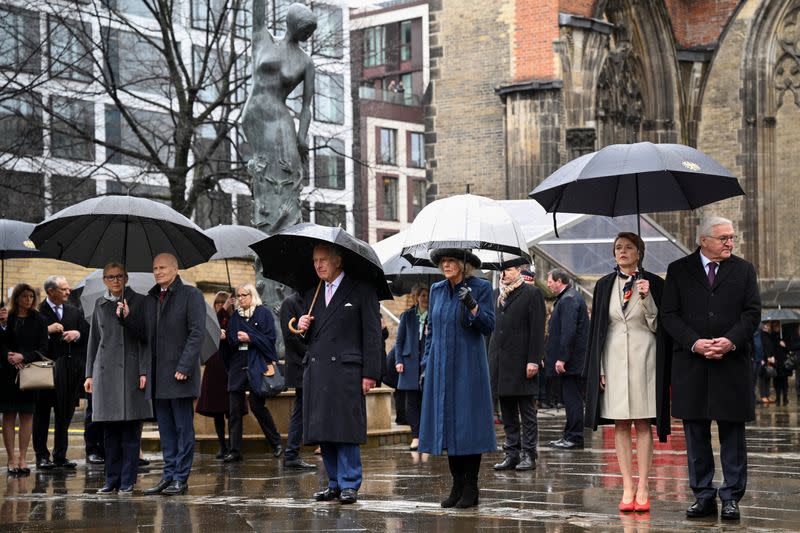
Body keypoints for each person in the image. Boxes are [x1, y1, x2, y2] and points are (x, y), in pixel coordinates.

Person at [660, 216, 760, 520]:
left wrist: (729, 341)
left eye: (731, 238)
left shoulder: (743, 270)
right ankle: (703, 495)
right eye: (724, 238)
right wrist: (695, 343)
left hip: (731, 364)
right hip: (692, 364)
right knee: (695, 433)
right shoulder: (678, 271)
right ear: (704, 240)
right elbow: (669, 315)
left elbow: (752, 312)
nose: (730, 243)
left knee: (732, 433)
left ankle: (732, 496)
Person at [583, 233, 671, 513]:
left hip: (645, 360)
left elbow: (660, 327)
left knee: (643, 423)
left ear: (639, 252)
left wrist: (647, 298)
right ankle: (627, 486)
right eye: (618, 248)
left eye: (628, 247)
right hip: (614, 361)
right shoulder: (603, 285)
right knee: (620, 424)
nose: (622, 252)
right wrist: (598, 366)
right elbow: (598, 329)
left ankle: (644, 486)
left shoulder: (655, 283)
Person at [296, 243, 382, 504]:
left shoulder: (361, 290)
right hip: (318, 371)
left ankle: (349, 483)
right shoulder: (312, 293)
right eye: (315, 260)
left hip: (346, 371)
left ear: (338, 262)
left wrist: (371, 373)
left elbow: (372, 335)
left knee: (345, 429)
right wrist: (302, 327)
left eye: (323, 260)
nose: (318, 265)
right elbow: (309, 340)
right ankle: (333, 482)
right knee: (324, 430)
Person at [121, 252, 206, 496]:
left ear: (175, 269)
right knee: (166, 431)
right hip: (159, 377)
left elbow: (197, 333)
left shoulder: (191, 295)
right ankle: (168, 477)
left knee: (183, 429)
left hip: (180, 375)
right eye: (155, 268)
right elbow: (144, 335)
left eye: (162, 267)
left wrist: (184, 366)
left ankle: (181, 477)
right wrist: (126, 317)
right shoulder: (150, 299)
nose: (157, 272)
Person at [419, 249, 495, 509]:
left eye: (451, 260)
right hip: (440, 367)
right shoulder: (437, 289)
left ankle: (471, 486)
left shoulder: (481, 288)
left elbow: (488, 326)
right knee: (447, 426)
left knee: (467, 425)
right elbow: (432, 329)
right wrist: (425, 363)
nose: (446, 264)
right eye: (443, 261)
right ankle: (456, 484)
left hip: (468, 366)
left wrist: (472, 304)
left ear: (464, 264)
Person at [242, 2, 315, 232]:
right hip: (255, 114)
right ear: (292, 22)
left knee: (285, 177)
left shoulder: (305, 62)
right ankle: (267, 233)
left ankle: (283, 235)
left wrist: (302, 137)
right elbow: (258, 8)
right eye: (305, 28)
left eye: (310, 31)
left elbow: (306, 106)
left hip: (280, 122)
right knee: (263, 174)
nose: (307, 34)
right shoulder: (261, 37)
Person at [84, 263, 152, 494]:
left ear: (126, 277)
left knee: (130, 431)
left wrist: (144, 371)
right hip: (104, 372)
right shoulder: (100, 304)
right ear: (104, 280)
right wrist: (89, 374)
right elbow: (94, 341)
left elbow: (145, 339)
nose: (115, 281)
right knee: (110, 432)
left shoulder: (140, 301)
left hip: (131, 370)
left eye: (119, 276)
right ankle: (111, 479)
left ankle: (127, 480)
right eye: (110, 277)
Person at [489, 264, 546, 472]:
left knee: (527, 411)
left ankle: (529, 453)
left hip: (522, 362)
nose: (504, 273)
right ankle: (511, 453)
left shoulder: (532, 293)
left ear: (519, 271)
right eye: (502, 270)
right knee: (507, 411)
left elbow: (538, 329)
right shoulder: (497, 294)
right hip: (501, 362)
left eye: (509, 269)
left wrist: (534, 359)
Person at [223, 283, 284, 462]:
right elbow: (232, 343)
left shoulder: (263, 313)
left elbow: (270, 340)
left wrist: (251, 337)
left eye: (244, 295)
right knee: (234, 411)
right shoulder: (235, 317)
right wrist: (225, 337)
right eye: (238, 296)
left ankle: (276, 443)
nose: (240, 298)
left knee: (258, 407)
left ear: (252, 295)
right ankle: (234, 450)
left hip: (256, 366)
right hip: (237, 367)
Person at [33, 275, 89, 470]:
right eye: (64, 289)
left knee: (64, 414)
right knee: (41, 415)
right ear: (51, 292)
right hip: (45, 370)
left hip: (68, 370)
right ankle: (41, 456)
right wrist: (47, 330)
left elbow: (86, 334)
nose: (68, 292)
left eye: (68, 288)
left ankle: (60, 455)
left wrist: (77, 334)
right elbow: (29, 340)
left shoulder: (74, 311)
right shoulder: (38, 313)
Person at [1, 284, 48, 476]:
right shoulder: (8, 318)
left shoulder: (39, 320)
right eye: (24, 296)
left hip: (30, 373)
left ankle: (23, 457)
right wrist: (9, 355)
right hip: (8, 374)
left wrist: (24, 357)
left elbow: (43, 348)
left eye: (31, 296)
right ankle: (11, 458)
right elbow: (2, 343)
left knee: (27, 416)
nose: (28, 300)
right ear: (16, 298)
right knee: (9, 415)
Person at [545, 269, 589, 450]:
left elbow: (568, 332)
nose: (547, 284)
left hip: (572, 362)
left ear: (559, 281)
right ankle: (569, 435)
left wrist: (562, 358)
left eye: (549, 281)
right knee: (571, 399)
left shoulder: (569, 299)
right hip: (573, 360)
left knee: (572, 400)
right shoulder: (569, 297)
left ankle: (574, 437)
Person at [279, 292, 316, 469]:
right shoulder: (289, 303)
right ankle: (291, 453)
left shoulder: (314, 300)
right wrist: (312, 352)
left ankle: (293, 452)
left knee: (306, 408)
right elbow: (290, 337)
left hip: (314, 364)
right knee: (301, 409)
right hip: (300, 365)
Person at [196, 291, 233, 459]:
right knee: (217, 412)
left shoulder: (234, 319)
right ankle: (222, 446)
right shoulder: (213, 319)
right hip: (214, 370)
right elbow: (211, 328)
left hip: (229, 369)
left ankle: (233, 446)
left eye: (222, 303)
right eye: (217, 304)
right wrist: (222, 310)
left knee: (232, 412)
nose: (219, 306)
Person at [394, 284, 429, 451]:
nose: (425, 298)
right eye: (422, 295)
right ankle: (415, 436)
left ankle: (426, 435)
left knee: (426, 401)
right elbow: (399, 341)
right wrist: (398, 360)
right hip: (409, 364)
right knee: (411, 401)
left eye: (427, 295)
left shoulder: (434, 316)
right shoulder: (407, 316)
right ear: (416, 297)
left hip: (427, 364)